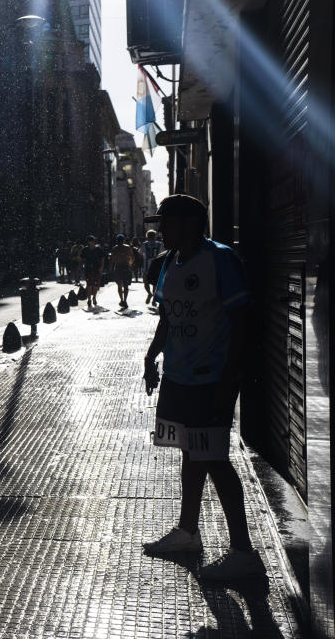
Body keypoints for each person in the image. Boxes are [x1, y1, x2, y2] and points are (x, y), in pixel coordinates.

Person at [142, 194, 263, 579]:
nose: (160, 230)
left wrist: (230, 378)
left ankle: (243, 551)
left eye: (167, 223)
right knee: (190, 455)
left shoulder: (221, 259)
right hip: (178, 377)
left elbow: (243, 319)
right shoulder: (169, 263)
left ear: (191, 224)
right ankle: (188, 530)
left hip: (210, 379)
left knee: (214, 460)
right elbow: (166, 317)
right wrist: (150, 358)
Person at [109, 234, 135, 308]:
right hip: (126, 267)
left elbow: (112, 260)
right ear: (123, 240)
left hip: (118, 268)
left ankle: (122, 299)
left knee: (119, 285)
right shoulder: (127, 248)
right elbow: (132, 257)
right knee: (126, 285)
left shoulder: (115, 248)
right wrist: (130, 264)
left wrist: (110, 268)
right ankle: (125, 300)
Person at [80, 235, 105, 308]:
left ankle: (94, 297)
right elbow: (81, 258)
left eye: (93, 241)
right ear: (88, 242)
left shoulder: (98, 249)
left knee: (96, 284)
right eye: (90, 241)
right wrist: (81, 266)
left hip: (96, 269)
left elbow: (103, 258)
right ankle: (89, 299)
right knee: (89, 284)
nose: (92, 243)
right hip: (88, 269)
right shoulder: (85, 250)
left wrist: (101, 267)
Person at [141, 230, 164, 300]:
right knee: (155, 283)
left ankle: (149, 293)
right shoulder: (160, 244)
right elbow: (163, 254)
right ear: (155, 236)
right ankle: (154, 296)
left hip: (146, 266)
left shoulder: (144, 244)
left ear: (147, 236)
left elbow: (140, 254)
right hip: (157, 266)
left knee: (145, 282)